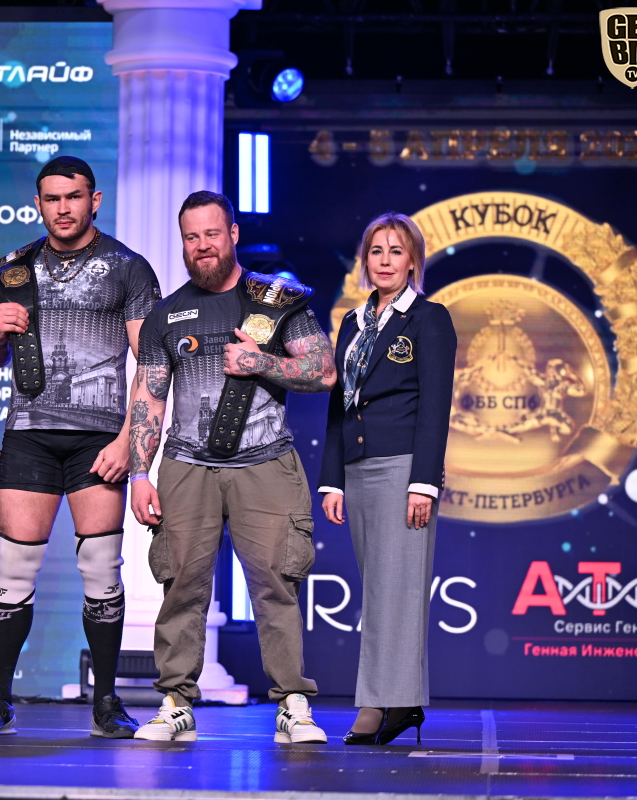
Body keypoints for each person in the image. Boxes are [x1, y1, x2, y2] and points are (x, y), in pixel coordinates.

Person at [0, 156, 161, 738]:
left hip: (99, 439)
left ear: (94, 200)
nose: (63, 208)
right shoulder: (15, 268)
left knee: (101, 568)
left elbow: (151, 364)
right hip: (28, 434)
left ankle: (107, 702)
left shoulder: (129, 268)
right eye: (52, 199)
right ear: (38, 204)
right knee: (15, 568)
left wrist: (129, 443)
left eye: (73, 197)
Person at [129, 191, 335, 744]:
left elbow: (323, 371)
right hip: (186, 466)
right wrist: (139, 474)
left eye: (212, 234)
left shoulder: (277, 300)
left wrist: (259, 361)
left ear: (234, 234)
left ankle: (293, 705)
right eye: (191, 237)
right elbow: (149, 397)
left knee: (275, 586)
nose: (202, 246)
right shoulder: (166, 314)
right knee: (180, 585)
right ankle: (176, 703)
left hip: (265, 463)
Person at [319, 212, 457, 746]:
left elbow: (435, 408)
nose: (384, 260)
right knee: (379, 589)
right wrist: (332, 480)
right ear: (364, 260)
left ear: (413, 261)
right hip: (357, 469)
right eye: (376, 251)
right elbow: (340, 404)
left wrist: (424, 483)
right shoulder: (353, 323)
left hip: (403, 469)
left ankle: (382, 704)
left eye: (396, 251)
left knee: (397, 590)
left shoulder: (429, 318)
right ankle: (397, 700)